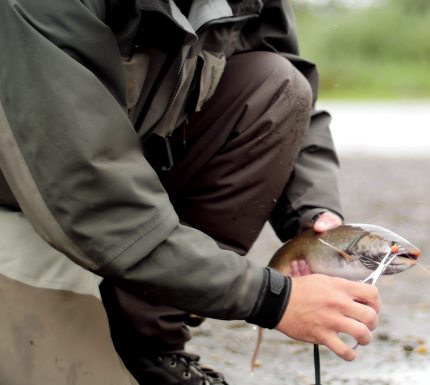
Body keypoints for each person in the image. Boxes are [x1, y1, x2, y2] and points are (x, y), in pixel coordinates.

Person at [0, 0, 380, 384]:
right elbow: (90, 196)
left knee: (278, 82)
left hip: (115, 198)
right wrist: (273, 299)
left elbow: (293, 100)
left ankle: (147, 343)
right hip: (27, 201)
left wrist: (312, 213)